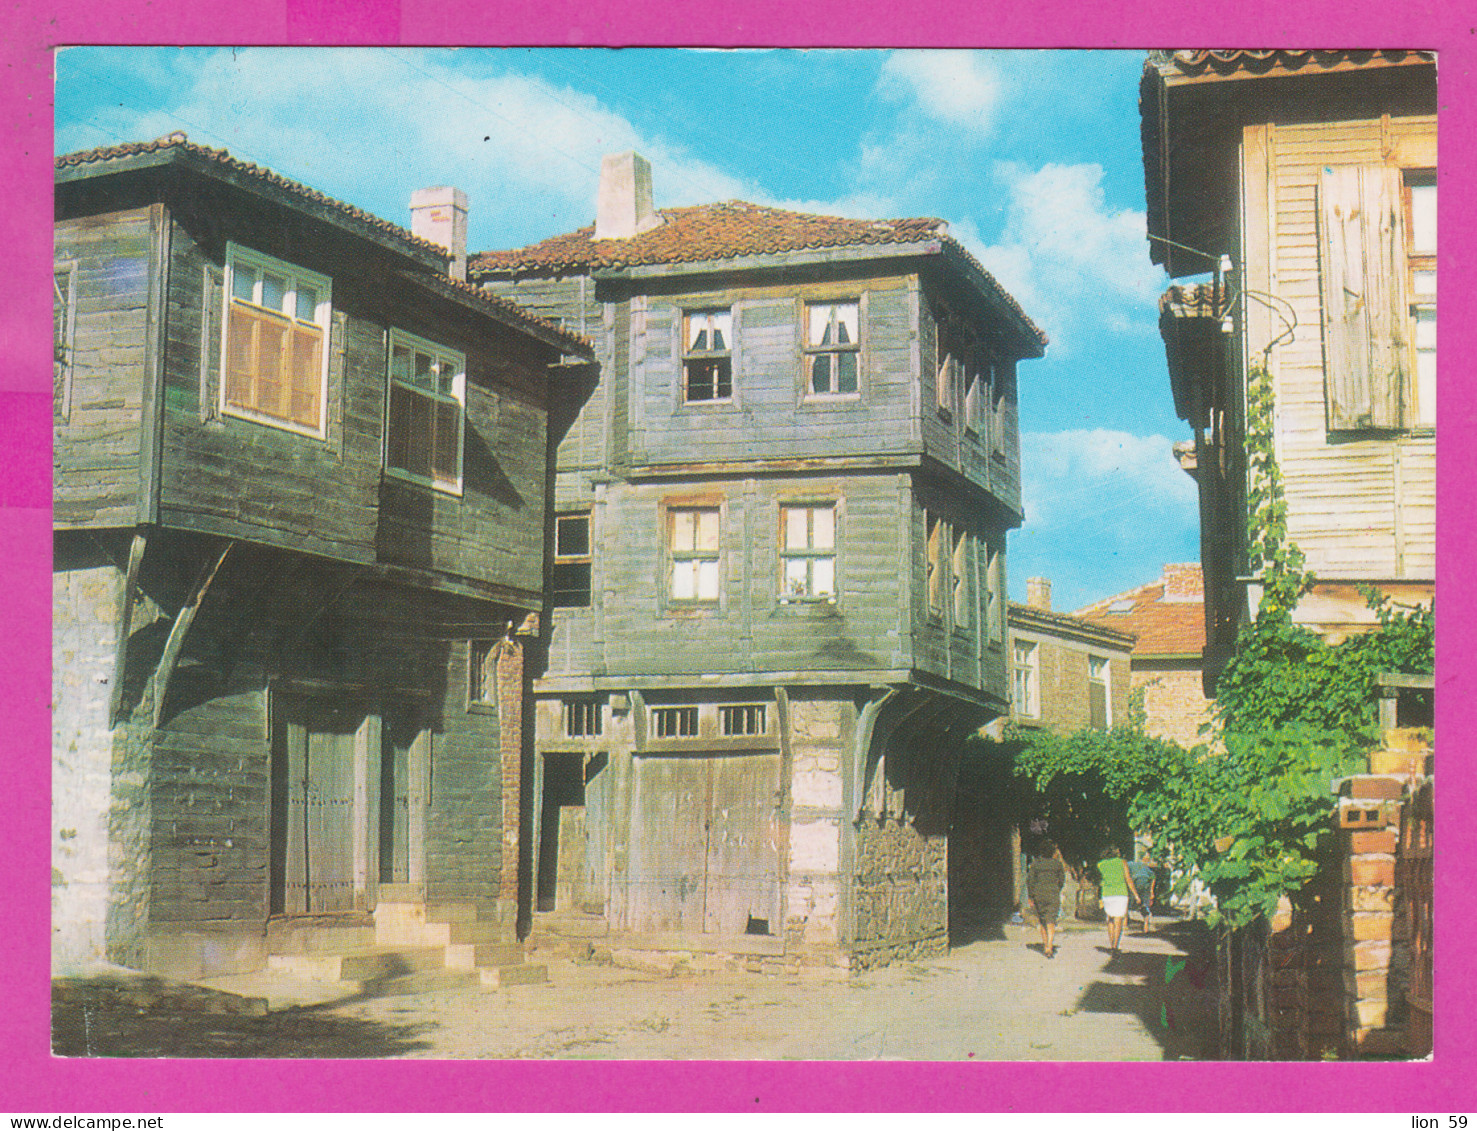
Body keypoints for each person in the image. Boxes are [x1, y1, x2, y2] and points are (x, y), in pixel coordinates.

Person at [1026, 839, 1067, 958]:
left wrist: (1030, 896)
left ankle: (1045, 945)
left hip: (1039, 894)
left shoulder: (1036, 864)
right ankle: (1049, 946)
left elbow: (1030, 881)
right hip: (1052, 893)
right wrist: (1056, 889)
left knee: (1042, 920)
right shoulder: (1057, 864)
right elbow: (1062, 880)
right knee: (1051, 920)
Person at [1095, 846, 1135, 954]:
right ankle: (1115, 946)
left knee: (1110, 920)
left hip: (1107, 894)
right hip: (1120, 893)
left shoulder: (1100, 864)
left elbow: (1099, 879)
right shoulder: (1122, 862)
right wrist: (1136, 894)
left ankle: (1112, 944)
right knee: (1118, 920)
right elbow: (1128, 879)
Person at [1126, 857, 1156, 933]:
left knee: (1127, 903)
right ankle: (1146, 925)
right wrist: (1151, 891)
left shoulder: (1128, 864)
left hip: (1135, 883)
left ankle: (1125, 924)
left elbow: (1126, 876)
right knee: (1145, 904)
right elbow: (1153, 877)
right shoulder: (1145, 867)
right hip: (1145, 883)